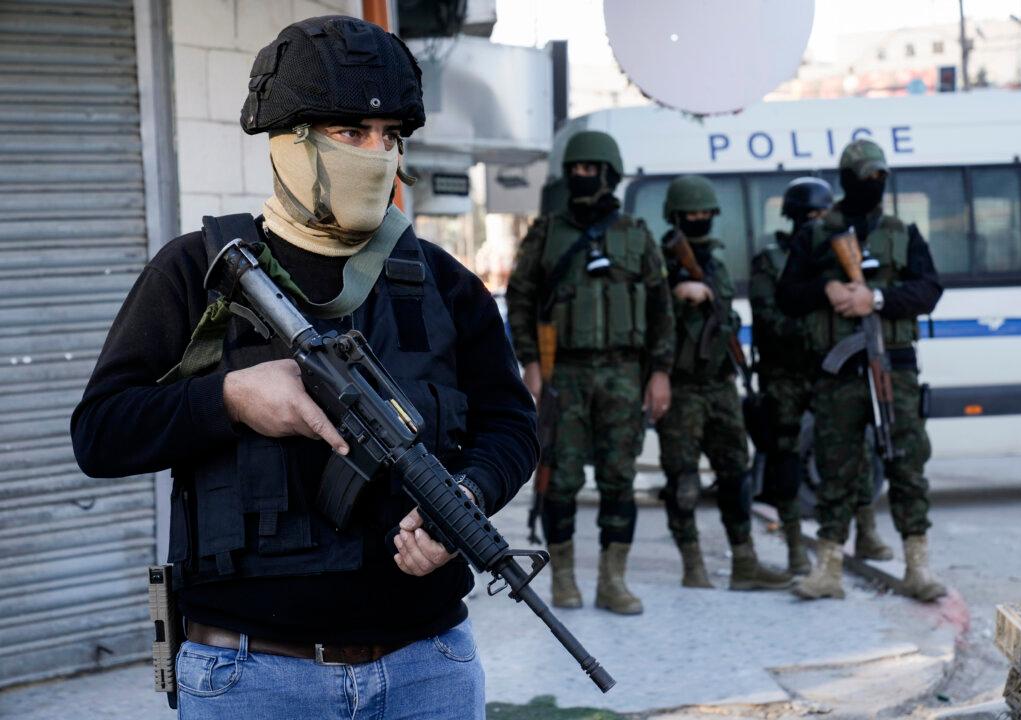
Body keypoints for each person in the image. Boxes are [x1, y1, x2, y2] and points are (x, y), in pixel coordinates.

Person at [70, 16, 538, 718]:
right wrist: (228, 398)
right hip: (253, 674)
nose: (377, 155)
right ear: (289, 143)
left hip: (427, 667)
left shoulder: (439, 279)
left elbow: (512, 426)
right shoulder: (197, 272)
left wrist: (466, 499)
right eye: (351, 133)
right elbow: (100, 434)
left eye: (390, 137)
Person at [506, 130, 674, 615]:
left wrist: (660, 372)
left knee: (620, 479)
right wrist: (531, 364)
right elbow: (520, 298)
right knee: (560, 479)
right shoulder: (546, 233)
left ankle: (612, 580)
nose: (582, 177)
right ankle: (562, 577)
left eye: (590, 170)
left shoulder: (637, 235)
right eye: (575, 170)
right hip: (565, 376)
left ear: (608, 174)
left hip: (624, 373)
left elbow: (662, 310)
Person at [776, 139, 946, 602]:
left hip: (893, 367)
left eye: (880, 178)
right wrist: (827, 287)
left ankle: (917, 565)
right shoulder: (815, 236)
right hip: (839, 371)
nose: (874, 185)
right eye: (865, 177)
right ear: (847, 180)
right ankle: (827, 567)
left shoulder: (903, 233)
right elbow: (786, 295)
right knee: (835, 467)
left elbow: (929, 290)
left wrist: (876, 299)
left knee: (907, 463)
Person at [749, 177, 894, 576]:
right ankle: (796, 545)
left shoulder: (835, 254)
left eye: (820, 215)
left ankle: (866, 530)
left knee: (856, 449)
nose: (815, 222)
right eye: (807, 216)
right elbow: (770, 317)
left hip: (832, 369)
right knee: (787, 459)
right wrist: (817, 319)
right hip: (786, 375)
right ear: (793, 218)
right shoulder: (772, 261)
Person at [655, 175, 791, 591]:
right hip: (681, 387)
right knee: (681, 480)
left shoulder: (714, 262)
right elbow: (650, 318)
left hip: (719, 384)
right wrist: (676, 292)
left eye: (704, 214)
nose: (699, 221)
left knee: (736, 474)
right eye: (691, 215)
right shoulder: (659, 264)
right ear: (676, 217)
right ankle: (692, 564)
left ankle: (745, 563)